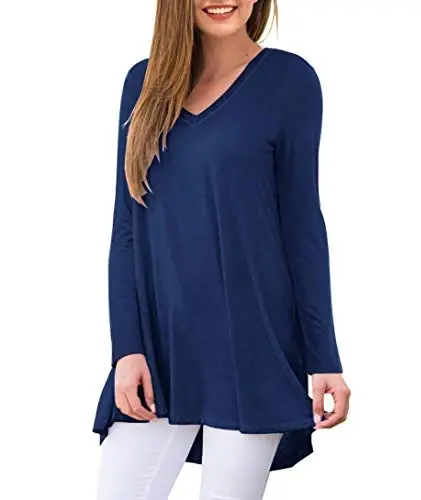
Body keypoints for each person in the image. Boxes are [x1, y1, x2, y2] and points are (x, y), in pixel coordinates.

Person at [92, 1, 351, 499]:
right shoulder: (142, 84)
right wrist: (126, 348)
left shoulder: (289, 81)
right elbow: (127, 227)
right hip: (160, 348)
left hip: (252, 347)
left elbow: (302, 227)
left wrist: (325, 358)